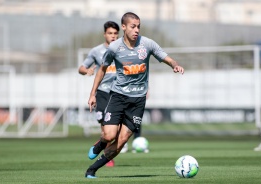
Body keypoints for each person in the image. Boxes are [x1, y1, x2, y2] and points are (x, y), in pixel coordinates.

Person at [85, 12, 184, 178]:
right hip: (117, 96)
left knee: (122, 140)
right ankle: (100, 144)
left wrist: (175, 65)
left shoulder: (147, 44)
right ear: (123, 27)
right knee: (109, 135)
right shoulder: (115, 47)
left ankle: (92, 169)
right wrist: (92, 94)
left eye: (138, 26)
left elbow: (166, 57)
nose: (136, 30)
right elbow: (102, 69)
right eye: (133, 26)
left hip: (138, 101)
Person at [78, 21, 120, 167]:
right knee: (105, 125)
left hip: (118, 92)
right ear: (104, 34)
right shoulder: (96, 51)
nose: (113, 36)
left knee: (117, 128)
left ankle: (102, 144)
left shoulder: (123, 49)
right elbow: (81, 68)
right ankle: (107, 156)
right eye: (110, 33)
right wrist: (87, 71)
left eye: (115, 33)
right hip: (102, 92)